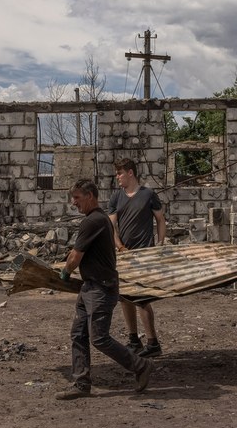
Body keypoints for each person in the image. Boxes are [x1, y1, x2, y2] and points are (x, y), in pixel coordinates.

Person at [55, 179, 154, 400]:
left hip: (100, 288)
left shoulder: (93, 221)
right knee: (78, 334)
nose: (74, 203)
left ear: (90, 196)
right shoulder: (99, 219)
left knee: (99, 338)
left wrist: (65, 272)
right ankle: (81, 384)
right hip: (91, 286)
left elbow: (75, 256)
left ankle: (141, 365)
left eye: (77, 198)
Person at [108, 158, 166, 358]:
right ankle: (134, 340)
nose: (117, 177)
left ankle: (153, 342)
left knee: (142, 298)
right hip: (125, 255)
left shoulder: (148, 194)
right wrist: (120, 247)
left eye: (120, 173)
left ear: (130, 173)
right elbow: (111, 226)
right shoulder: (116, 197)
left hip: (144, 255)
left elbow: (160, 219)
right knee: (125, 297)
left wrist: (160, 245)